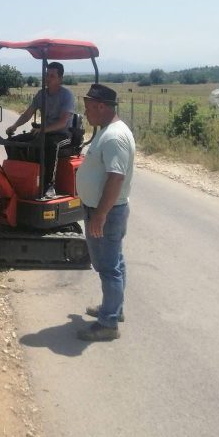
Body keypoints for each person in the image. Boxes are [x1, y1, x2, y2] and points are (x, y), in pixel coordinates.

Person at [75, 84, 135, 341]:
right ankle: (114, 309)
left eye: (89, 108)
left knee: (108, 267)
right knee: (114, 261)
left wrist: (99, 215)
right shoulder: (107, 131)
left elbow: (116, 178)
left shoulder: (113, 137)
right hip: (103, 210)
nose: (86, 113)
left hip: (106, 213)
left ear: (101, 106)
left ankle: (108, 323)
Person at [5, 62, 75, 197]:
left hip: (63, 135)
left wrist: (43, 129)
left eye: (52, 76)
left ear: (60, 79)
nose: (48, 78)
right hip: (44, 132)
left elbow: (62, 123)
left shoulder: (67, 95)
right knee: (13, 142)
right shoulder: (41, 94)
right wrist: (15, 126)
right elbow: (28, 114)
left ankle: (49, 185)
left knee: (50, 145)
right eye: (47, 75)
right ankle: (21, 178)